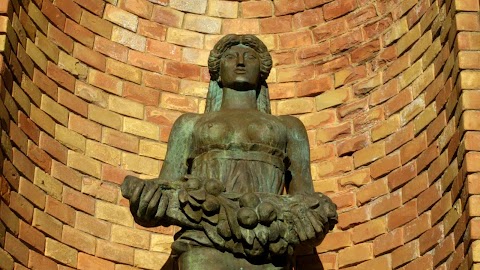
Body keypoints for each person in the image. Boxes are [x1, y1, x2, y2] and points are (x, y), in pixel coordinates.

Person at [123, 34, 336, 270]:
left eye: (250, 57)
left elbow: (303, 196)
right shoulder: (190, 124)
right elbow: (168, 188)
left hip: (267, 243)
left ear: (262, 71)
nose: (241, 62)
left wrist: (314, 223)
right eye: (231, 57)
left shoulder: (288, 127)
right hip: (202, 236)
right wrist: (146, 204)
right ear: (218, 71)